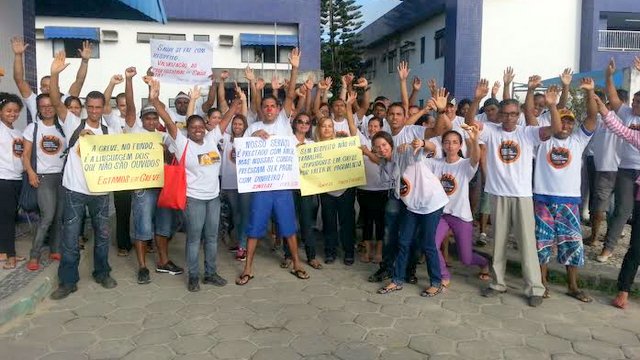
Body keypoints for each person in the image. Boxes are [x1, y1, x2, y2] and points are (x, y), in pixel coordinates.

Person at [466, 79, 561, 307]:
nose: (509, 118)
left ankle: (534, 288)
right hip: (498, 193)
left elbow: (556, 129)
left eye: (513, 114)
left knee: (527, 242)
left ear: (518, 114)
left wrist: (553, 106)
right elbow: (470, 123)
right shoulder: (491, 131)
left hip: (522, 195)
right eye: (505, 113)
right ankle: (497, 283)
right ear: (499, 114)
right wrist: (477, 98)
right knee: (498, 242)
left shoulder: (528, 133)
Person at [150, 79, 237, 292]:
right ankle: (194, 277)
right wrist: (154, 99)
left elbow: (226, 119)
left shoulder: (211, 138)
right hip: (194, 200)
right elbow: (167, 119)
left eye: (200, 126)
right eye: (193, 127)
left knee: (211, 238)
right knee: (194, 239)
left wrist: (237, 103)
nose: (198, 130)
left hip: (213, 198)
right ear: (187, 129)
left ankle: (210, 273)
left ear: (205, 128)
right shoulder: (182, 143)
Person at [48, 51, 122, 300]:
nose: (93, 110)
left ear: (103, 108)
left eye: (97, 107)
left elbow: (124, 157)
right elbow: (57, 100)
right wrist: (55, 74)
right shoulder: (72, 123)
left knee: (102, 236)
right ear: (84, 108)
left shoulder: (110, 131)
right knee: (70, 238)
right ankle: (68, 281)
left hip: (100, 193)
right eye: (89, 107)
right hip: (74, 190)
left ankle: (102, 272)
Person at [237, 48, 309, 285]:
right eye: (265, 106)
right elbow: (240, 157)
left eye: (273, 106)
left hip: (283, 187)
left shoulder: (283, 123)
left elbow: (289, 96)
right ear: (262, 109)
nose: (269, 109)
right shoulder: (252, 128)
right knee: (255, 227)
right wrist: (252, 138)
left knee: (289, 227)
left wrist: (295, 67)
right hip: (261, 188)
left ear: (279, 110)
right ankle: (248, 268)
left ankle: (297, 263)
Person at [530, 78, 597, 302]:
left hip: (569, 202)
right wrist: (550, 104)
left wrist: (590, 93)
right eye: (562, 121)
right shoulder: (543, 140)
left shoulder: (578, 141)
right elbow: (531, 117)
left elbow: (592, 117)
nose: (566, 126)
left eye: (569, 122)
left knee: (571, 243)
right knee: (542, 243)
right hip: (543, 199)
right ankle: (542, 283)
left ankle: (573, 286)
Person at [121, 67, 184, 284]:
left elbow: (173, 136)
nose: (150, 121)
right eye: (147, 118)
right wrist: (128, 80)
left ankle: (163, 261)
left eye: (153, 117)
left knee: (164, 226)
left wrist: (154, 89)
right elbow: (129, 106)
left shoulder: (163, 135)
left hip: (163, 187)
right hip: (143, 188)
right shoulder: (134, 131)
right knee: (143, 226)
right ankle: (142, 266)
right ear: (141, 119)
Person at [375, 132, 448, 297]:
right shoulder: (384, 165)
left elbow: (432, 147)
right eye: (378, 147)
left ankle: (436, 283)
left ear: (391, 145)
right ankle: (397, 280)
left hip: (431, 203)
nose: (382, 149)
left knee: (428, 244)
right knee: (403, 241)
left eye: (384, 145)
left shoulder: (406, 152)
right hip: (413, 205)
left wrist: (421, 143)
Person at [596, 56, 640, 309]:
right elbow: (621, 127)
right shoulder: (626, 116)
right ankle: (610, 250)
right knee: (624, 214)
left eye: (638, 101)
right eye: (633, 99)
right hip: (627, 170)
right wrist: (609, 78)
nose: (633, 103)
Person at [430, 127, 489, 287]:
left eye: (455, 142)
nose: (450, 146)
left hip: (460, 215)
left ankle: (484, 263)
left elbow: (475, 158)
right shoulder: (435, 164)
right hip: (441, 214)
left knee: (466, 259)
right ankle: (443, 274)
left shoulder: (464, 165)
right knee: (431, 245)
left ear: (460, 146)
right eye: (447, 142)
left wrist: (475, 140)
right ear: (442, 145)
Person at [23, 93, 67, 271]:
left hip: (63, 177)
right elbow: (25, 155)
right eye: (43, 106)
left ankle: (55, 249)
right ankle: (34, 255)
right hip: (43, 178)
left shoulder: (63, 127)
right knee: (47, 216)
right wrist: (31, 173)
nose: (47, 108)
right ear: (39, 109)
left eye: (50, 105)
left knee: (58, 216)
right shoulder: (33, 128)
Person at [317, 91, 359, 265]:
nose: (327, 129)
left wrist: (349, 106)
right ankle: (330, 251)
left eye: (330, 126)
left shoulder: (343, 143)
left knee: (347, 220)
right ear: (319, 129)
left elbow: (354, 132)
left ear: (333, 129)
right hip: (326, 189)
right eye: (324, 126)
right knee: (329, 221)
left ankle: (349, 251)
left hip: (345, 188)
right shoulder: (313, 147)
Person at [11, 36, 90, 122]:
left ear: (57, 88)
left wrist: (85, 61)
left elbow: (79, 82)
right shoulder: (34, 101)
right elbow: (19, 80)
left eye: (51, 86)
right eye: (45, 86)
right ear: (40, 89)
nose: (48, 88)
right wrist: (18, 55)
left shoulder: (65, 101)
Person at [220, 113, 251, 261]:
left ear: (245, 126)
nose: (237, 126)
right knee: (236, 214)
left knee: (244, 214)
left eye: (240, 124)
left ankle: (244, 246)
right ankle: (240, 241)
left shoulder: (249, 140)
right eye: (235, 124)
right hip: (230, 183)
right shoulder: (226, 139)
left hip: (245, 183)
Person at [0, 93, 25, 269]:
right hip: (3, 179)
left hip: (17, 179)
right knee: (7, 218)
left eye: (16, 111)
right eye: (8, 110)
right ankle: (11, 255)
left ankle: (3, 252)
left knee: (9, 217)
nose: (13, 114)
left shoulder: (17, 132)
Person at [357, 117, 387, 263]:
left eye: (376, 126)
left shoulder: (385, 143)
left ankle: (379, 252)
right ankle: (368, 251)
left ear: (381, 127)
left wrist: (367, 153)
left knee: (380, 222)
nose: (373, 128)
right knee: (367, 221)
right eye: (370, 126)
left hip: (382, 189)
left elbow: (381, 161)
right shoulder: (363, 140)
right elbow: (351, 125)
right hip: (364, 188)